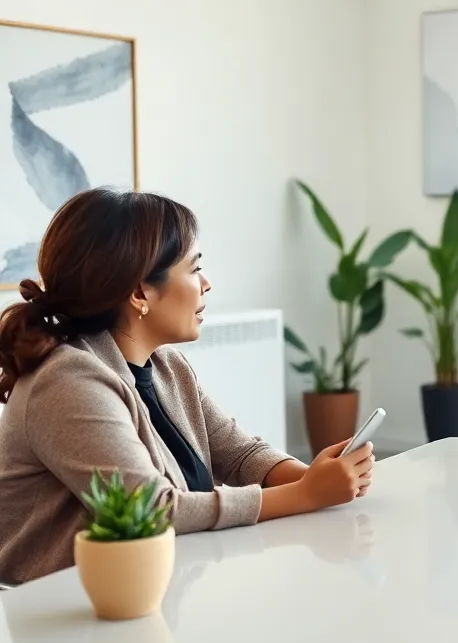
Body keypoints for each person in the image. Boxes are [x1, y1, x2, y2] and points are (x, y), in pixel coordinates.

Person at [0, 188, 374, 584]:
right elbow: (154, 510)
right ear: (141, 292)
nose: (207, 283)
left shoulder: (166, 365)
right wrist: (306, 495)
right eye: (194, 269)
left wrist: (312, 477)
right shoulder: (66, 382)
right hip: (64, 616)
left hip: (147, 590)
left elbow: (240, 453)